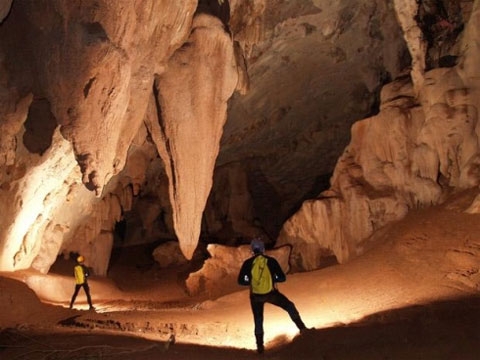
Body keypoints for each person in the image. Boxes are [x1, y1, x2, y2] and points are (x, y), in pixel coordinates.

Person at [237, 239, 307, 354]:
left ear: (252, 251)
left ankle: (260, 347)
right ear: (263, 250)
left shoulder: (248, 263)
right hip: (271, 293)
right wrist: (273, 279)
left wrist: (251, 281)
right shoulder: (271, 261)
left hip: (256, 296)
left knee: (258, 319)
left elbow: (241, 281)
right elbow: (282, 278)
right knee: (289, 306)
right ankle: (302, 329)